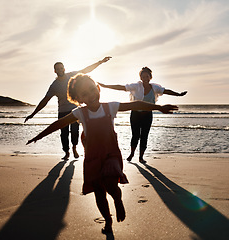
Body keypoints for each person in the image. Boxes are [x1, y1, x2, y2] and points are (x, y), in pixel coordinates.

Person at [27, 74, 177, 235]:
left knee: (111, 184)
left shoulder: (110, 107)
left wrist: (158, 107)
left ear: (97, 89)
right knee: (99, 192)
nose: (91, 95)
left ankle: (118, 200)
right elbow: (59, 123)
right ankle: (108, 220)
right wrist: (39, 136)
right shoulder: (80, 113)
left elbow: (135, 104)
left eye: (92, 90)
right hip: (92, 159)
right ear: (78, 98)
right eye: (85, 94)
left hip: (111, 155)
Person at [25, 57, 111, 160]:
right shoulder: (54, 85)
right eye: (58, 69)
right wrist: (33, 114)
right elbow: (45, 100)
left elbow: (86, 70)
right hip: (62, 111)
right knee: (64, 133)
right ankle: (66, 152)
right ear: (55, 71)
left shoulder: (71, 76)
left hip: (74, 109)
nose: (60, 70)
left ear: (64, 69)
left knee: (75, 131)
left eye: (61, 68)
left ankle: (74, 147)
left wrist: (100, 62)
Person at [98, 66, 187, 163]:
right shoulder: (136, 86)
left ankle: (141, 157)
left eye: (147, 76)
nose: (145, 78)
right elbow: (122, 87)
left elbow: (166, 91)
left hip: (147, 115)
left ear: (150, 77)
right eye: (143, 77)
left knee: (145, 136)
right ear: (141, 78)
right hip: (135, 114)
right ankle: (132, 153)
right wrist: (106, 86)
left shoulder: (155, 87)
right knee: (135, 135)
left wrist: (178, 94)